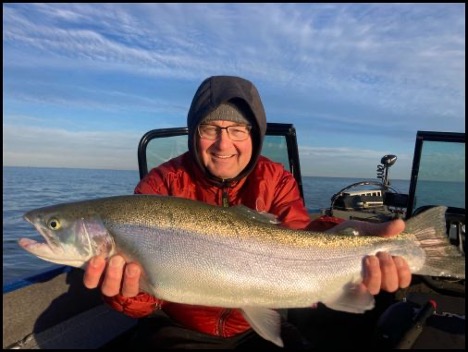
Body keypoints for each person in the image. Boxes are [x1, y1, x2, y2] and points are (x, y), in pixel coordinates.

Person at [84, 75, 411, 349]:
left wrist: (348, 237)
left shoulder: (276, 179)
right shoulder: (160, 185)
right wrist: (126, 294)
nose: (223, 145)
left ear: (254, 134)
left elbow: (300, 238)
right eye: (210, 129)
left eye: (237, 130)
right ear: (194, 133)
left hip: (257, 326)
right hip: (179, 327)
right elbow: (144, 297)